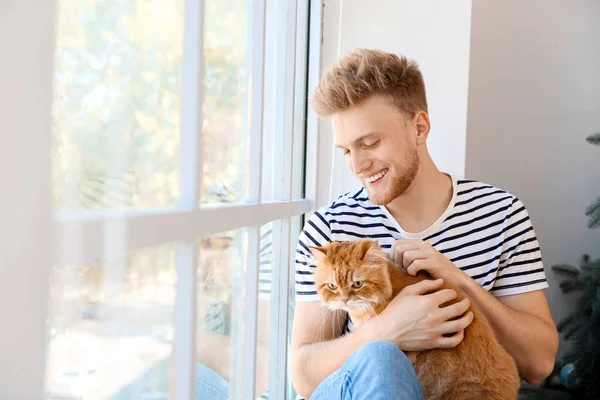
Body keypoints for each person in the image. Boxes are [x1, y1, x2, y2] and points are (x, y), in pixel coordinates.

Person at [290, 49, 559, 400]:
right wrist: (389, 329)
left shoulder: (500, 213)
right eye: (345, 150)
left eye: (369, 143)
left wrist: (460, 282)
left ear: (419, 127)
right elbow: (305, 379)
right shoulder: (330, 228)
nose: (356, 165)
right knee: (381, 357)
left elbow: (538, 364)